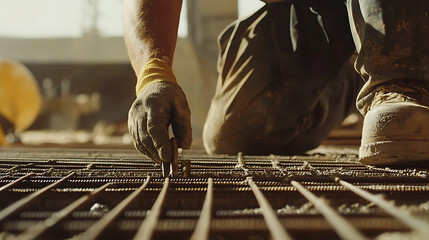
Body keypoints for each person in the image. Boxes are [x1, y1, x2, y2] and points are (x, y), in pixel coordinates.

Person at [124, 0, 429, 166]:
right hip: (315, 9)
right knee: (238, 132)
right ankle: (357, 74)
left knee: (399, 122)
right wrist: (154, 75)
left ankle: (402, 82)